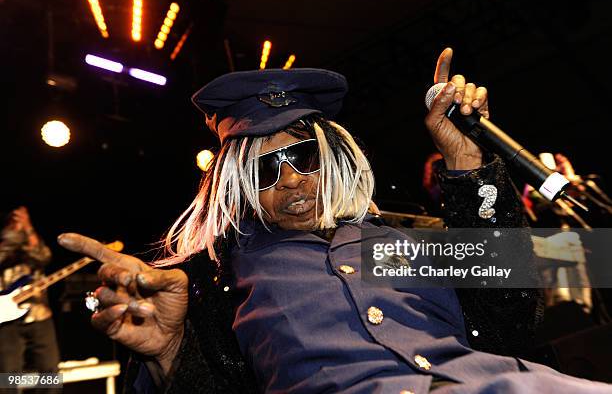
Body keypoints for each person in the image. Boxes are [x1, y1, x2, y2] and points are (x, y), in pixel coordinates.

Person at [58, 48, 612, 393]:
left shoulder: (398, 239)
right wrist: (170, 353)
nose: (292, 180)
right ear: (236, 185)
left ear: (334, 156)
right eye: (264, 169)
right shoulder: (212, 282)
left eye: (303, 157)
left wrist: (466, 159)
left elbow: (516, 316)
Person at [0, 207, 61, 380]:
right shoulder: (6, 237)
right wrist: (12, 236)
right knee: (8, 376)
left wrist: (27, 228)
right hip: (6, 318)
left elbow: (44, 257)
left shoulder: (31, 237)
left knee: (50, 373)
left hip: (39, 313)